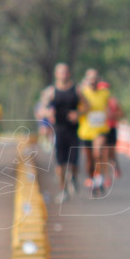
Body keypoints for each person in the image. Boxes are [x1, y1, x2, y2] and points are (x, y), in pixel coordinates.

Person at [43, 63, 83, 203]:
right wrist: (48, 113)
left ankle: (73, 178)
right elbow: (41, 109)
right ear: (56, 74)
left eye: (66, 72)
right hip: (58, 130)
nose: (63, 75)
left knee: (73, 164)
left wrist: (78, 113)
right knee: (60, 165)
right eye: (61, 72)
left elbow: (87, 105)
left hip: (73, 130)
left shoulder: (76, 89)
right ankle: (63, 190)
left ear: (69, 74)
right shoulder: (51, 91)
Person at [77, 68, 111, 196]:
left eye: (95, 78)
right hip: (86, 131)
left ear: (98, 80)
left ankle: (100, 179)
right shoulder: (82, 93)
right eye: (90, 78)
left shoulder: (105, 93)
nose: (93, 80)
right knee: (89, 160)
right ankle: (92, 179)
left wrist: (109, 115)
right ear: (86, 80)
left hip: (100, 130)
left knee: (98, 153)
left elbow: (108, 108)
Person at [101, 80, 124, 184]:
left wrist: (113, 115)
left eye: (106, 89)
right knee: (103, 153)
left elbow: (121, 113)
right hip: (100, 130)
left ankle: (115, 167)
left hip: (111, 128)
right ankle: (106, 176)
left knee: (111, 152)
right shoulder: (97, 101)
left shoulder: (113, 101)